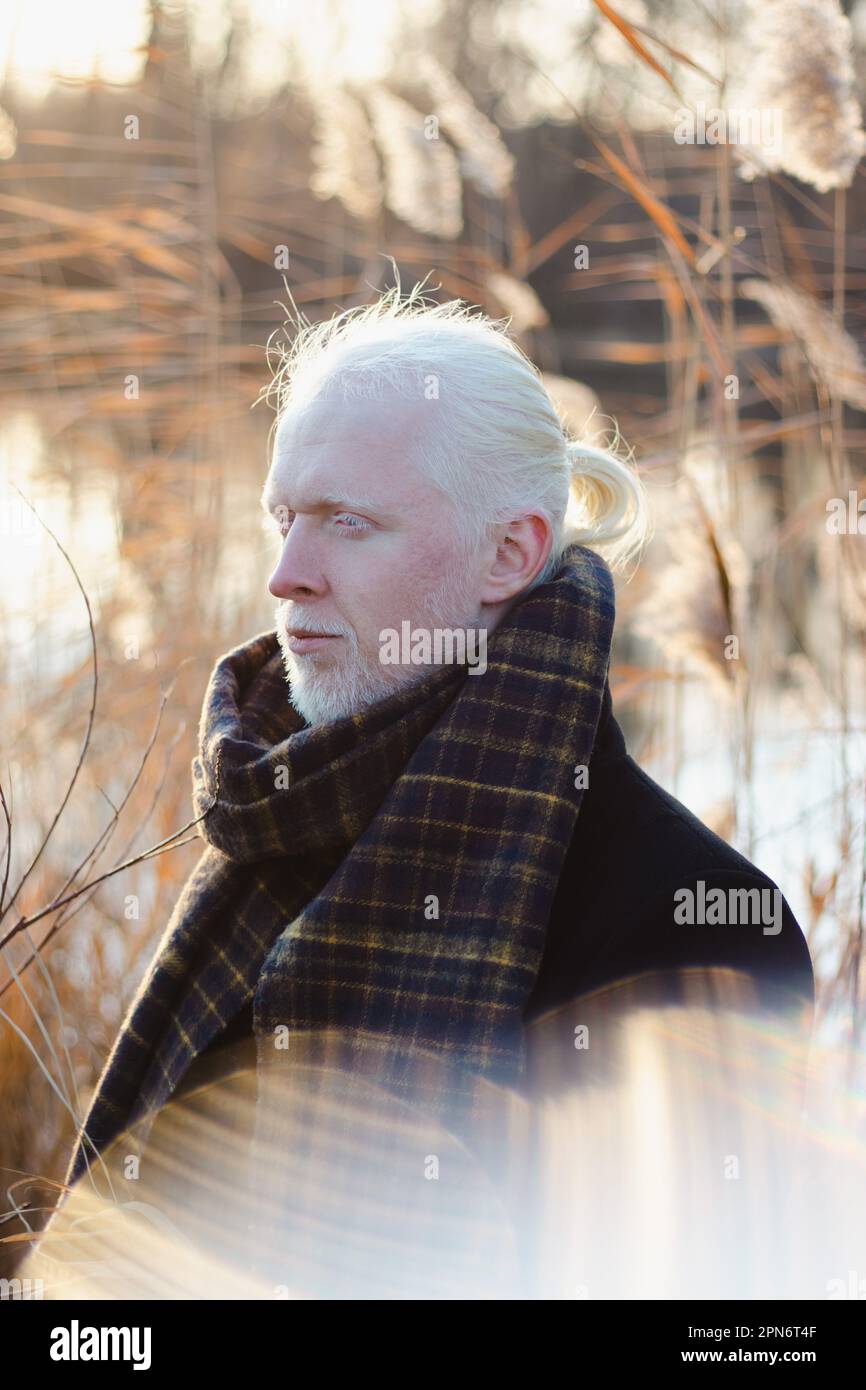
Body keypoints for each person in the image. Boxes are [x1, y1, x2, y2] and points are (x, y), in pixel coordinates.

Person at [57, 283, 813, 1204]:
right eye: (282, 519)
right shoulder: (277, 811)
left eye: (349, 523)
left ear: (509, 553)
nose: (286, 575)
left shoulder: (696, 925)